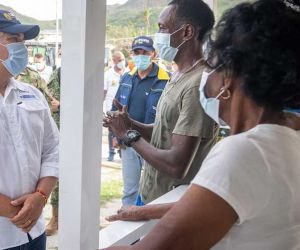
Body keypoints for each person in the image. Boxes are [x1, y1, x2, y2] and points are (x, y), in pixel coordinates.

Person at [102, 0, 300, 249]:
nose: (207, 74)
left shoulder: (243, 152)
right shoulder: (288, 139)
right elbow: (229, 201)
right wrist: (147, 211)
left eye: (213, 63)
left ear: (228, 77)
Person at [104, 0, 216, 205]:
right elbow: (165, 131)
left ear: (187, 32)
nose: (159, 36)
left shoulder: (197, 83)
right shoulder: (178, 75)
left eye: (163, 28)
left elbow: (177, 165)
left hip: (170, 205)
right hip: (152, 194)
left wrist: (128, 135)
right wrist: (130, 123)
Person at [0, 10, 59, 250]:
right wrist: (22, 212)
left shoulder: (32, 94)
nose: (21, 48)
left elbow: (53, 148)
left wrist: (41, 197)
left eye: (23, 40)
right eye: (13, 40)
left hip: (34, 233)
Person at [111, 36, 170, 206]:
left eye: (145, 52)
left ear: (153, 54)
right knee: (130, 189)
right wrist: (115, 135)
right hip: (128, 142)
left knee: (154, 188)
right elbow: (116, 107)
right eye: (137, 52)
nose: (141, 55)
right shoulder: (127, 78)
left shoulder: (165, 79)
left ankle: (148, 227)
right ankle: (127, 226)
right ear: (132, 54)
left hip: (153, 144)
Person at [45, 67, 61, 236]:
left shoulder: (86, 72)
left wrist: (62, 106)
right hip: (55, 132)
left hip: (77, 136)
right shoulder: (56, 75)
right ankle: (55, 218)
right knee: (54, 175)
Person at [104, 51, 126, 161]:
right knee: (112, 132)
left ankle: (122, 152)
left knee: (124, 131)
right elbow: (103, 92)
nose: (122, 62)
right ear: (114, 61)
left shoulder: (128, 73)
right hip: (110, 109)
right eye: (120, 60)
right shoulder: (108, 74)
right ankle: (111, 153)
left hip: (124, 109)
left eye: (123, 59)